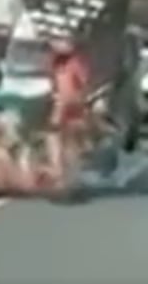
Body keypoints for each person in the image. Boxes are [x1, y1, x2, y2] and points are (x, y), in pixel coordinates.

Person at [46, 35, 89, 191]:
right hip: (75, 102)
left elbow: (55, 86)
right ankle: (70, 176)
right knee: (70, 139)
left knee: (55, 136)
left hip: (65, 103)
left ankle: (59, 173)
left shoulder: (59, 63)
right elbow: (83, 84)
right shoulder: (75, 62)